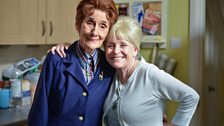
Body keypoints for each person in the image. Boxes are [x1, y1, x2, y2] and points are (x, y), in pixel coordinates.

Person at [51, 16, 200, 126]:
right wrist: (68, 47)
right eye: (111, 45)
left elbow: (191, 97)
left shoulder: (149, 74)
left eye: (123, 45)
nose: (116, 51)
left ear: (135, 49)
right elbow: (89, 51)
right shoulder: (111, 73)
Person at [28, 0, 118, 126]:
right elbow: (39, 111)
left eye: (103, 26)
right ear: (78, 24)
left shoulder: (110, 65)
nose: (95, 32)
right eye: (90, 23)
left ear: (108, 31)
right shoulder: (55, 60)